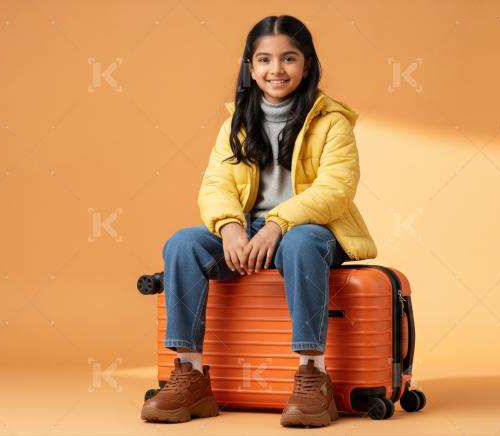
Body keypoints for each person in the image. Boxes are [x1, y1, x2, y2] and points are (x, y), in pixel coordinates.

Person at [141, 14, 377, 428]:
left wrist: (277, 224)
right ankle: (190, 374)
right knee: (182, 243)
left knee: (301, 242)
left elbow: (336, 191)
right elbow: (215, 185)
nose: (276, 70)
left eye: (289, 59)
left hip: (313, 231)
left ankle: (312, 373)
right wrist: (231, 227)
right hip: (250, 231)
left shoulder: (333, 123)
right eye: (264, 60)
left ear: (307, 65)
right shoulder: (236, 123)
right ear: (250, 68)